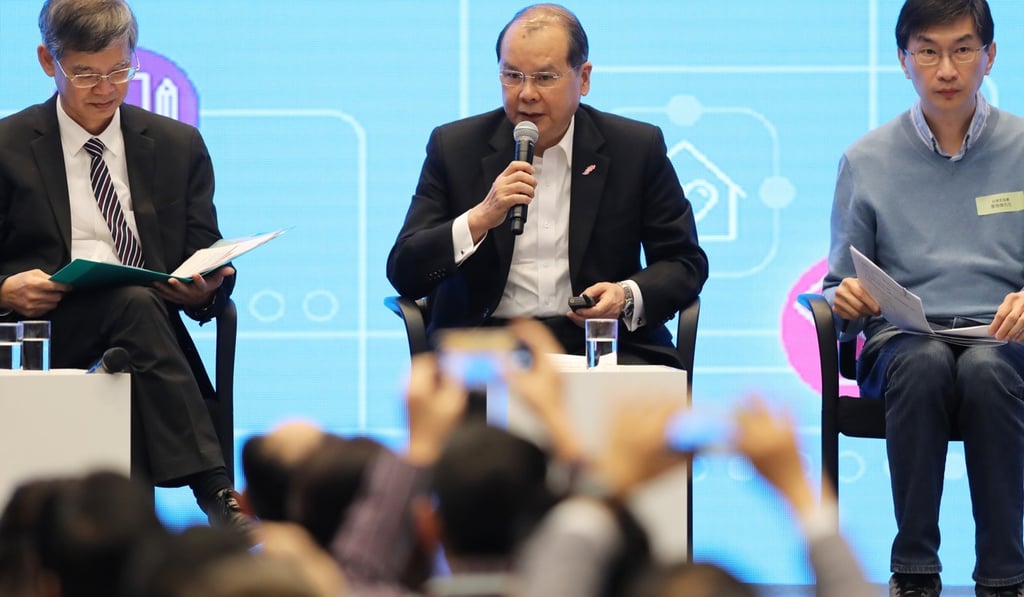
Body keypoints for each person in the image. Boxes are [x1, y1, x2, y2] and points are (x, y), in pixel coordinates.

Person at [0, 0, 248, 532]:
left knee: (135, 308)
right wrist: (5, 289)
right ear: (49, 61)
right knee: (132, 305)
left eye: (119, 71)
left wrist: (202, 290)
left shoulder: (177, 145)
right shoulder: (8, 145)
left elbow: (207, 250)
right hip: (38, 332)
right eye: (85, 73)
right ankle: (215, 489)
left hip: (144, 330)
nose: (105, 88)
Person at [823, 1, 1024, 594]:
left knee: (987, 368)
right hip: (903, 341)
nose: (946, 68)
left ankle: (1005, 573)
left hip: (1004, 340)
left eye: (963, 49)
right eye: (928, 51)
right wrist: (848, 301)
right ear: (903, 62)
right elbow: (837, 289)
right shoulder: (866, 159)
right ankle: (913, 571)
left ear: (989, 57)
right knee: (924, 360)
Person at [386, 3, 708, 368]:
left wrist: (625, 296)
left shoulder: (635, 148)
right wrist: (478, 219)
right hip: (488, 345)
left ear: (583, 78)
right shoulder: (455, 147)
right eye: (512, 75)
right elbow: (405, 271)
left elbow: (684, 261)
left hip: (602, 344)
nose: (526, 94)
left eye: (544, 78)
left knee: (640, 404)